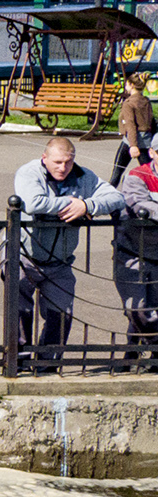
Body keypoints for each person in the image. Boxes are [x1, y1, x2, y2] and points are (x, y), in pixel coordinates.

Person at [15, 136, 123, 373]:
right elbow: (33, 203)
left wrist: (87, 206)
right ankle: (19, 362)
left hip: (60, 262)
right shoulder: (29, 173)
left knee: (61, 314)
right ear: (45, 158)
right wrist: (72, 202)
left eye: (68, 162)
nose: (63, 167)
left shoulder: (84, 176)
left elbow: (116, 197)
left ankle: (47, 364)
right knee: (19, 310)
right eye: (57, 162)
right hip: (24, 257)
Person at [111, 156, 158, 372]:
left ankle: (130, 357)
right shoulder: (138, 176)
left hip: (156, 252)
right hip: (133, 250)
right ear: (152, 152)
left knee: (151, 307)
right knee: (137, 308)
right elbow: (140, 204)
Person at [112, 72, 156, 185]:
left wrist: (133, 145)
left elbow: (130, 124)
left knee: (117, 172)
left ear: (131, 85)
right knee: (151, 172)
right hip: (146, 140)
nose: (125, 86)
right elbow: (152, 121)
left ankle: (107, 196)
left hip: (132, 140)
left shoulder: (129, 103)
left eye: (126, 84)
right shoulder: (145, 100)